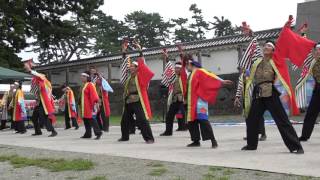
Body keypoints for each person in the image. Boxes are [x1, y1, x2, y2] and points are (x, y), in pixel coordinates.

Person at [186, 60, 233, 148]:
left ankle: (213, 140)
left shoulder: (200, 71)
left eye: (187, 65)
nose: (186, 67)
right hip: (192, 102)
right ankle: (196, 141)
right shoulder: (191, 74)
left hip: (200, 101)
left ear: (191, 65)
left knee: (203, 120)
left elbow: (210, 76)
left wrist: (221, 81)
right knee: (192, 122)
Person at [118, 40, 155, 143]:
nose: (130, 68)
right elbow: (124, 64)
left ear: (137, 68)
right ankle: (125, 137)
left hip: (138, 100)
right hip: (129, 100)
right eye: (130, 67)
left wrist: (140, 51)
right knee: (124, 120)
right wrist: (124, 52)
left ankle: (149, 138)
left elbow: (143, 66)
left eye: (132, 66)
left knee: (142, 120)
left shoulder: (140, 76)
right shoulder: (129, 77)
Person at [160, 47, 188, 136]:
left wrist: (181, 53)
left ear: (181, 69)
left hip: (182, 98)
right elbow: (169, 67)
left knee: (182, 113)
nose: (176, 70)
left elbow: (184, 65)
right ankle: (168, 131)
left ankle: (183, 126)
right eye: (175, 68)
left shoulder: (184, 76)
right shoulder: (174, 77)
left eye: (178, 68)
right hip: (175, 99)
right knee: (169, 116)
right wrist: (166, 57)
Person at [24, 63, 57, 137]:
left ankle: (53, 131)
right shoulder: (37, 80)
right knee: (34, 117)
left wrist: (30, 70)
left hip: (43, 103)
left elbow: (38, 75)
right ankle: (38, 131)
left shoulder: (43, 78)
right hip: (39, 102)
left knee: (44, 118)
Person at [299, 42, 320, 141]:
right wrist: (303, 34)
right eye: (317, 49)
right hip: (318, 89)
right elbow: (304, 48)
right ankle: (305, 135)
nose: (318, 51)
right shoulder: (313, 61)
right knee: (311, 113)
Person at [79, 71, 102, 140]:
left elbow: (94, 95)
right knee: (86, 119)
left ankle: (98, 132)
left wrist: (96, 102)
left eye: (83, 76)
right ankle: (88, 134)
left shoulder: (90, 84)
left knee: (91, 119)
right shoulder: (83, 85)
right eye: (81, 76)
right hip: (84, 105)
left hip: (89, 105)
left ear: (87, 77)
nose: (81, 77)